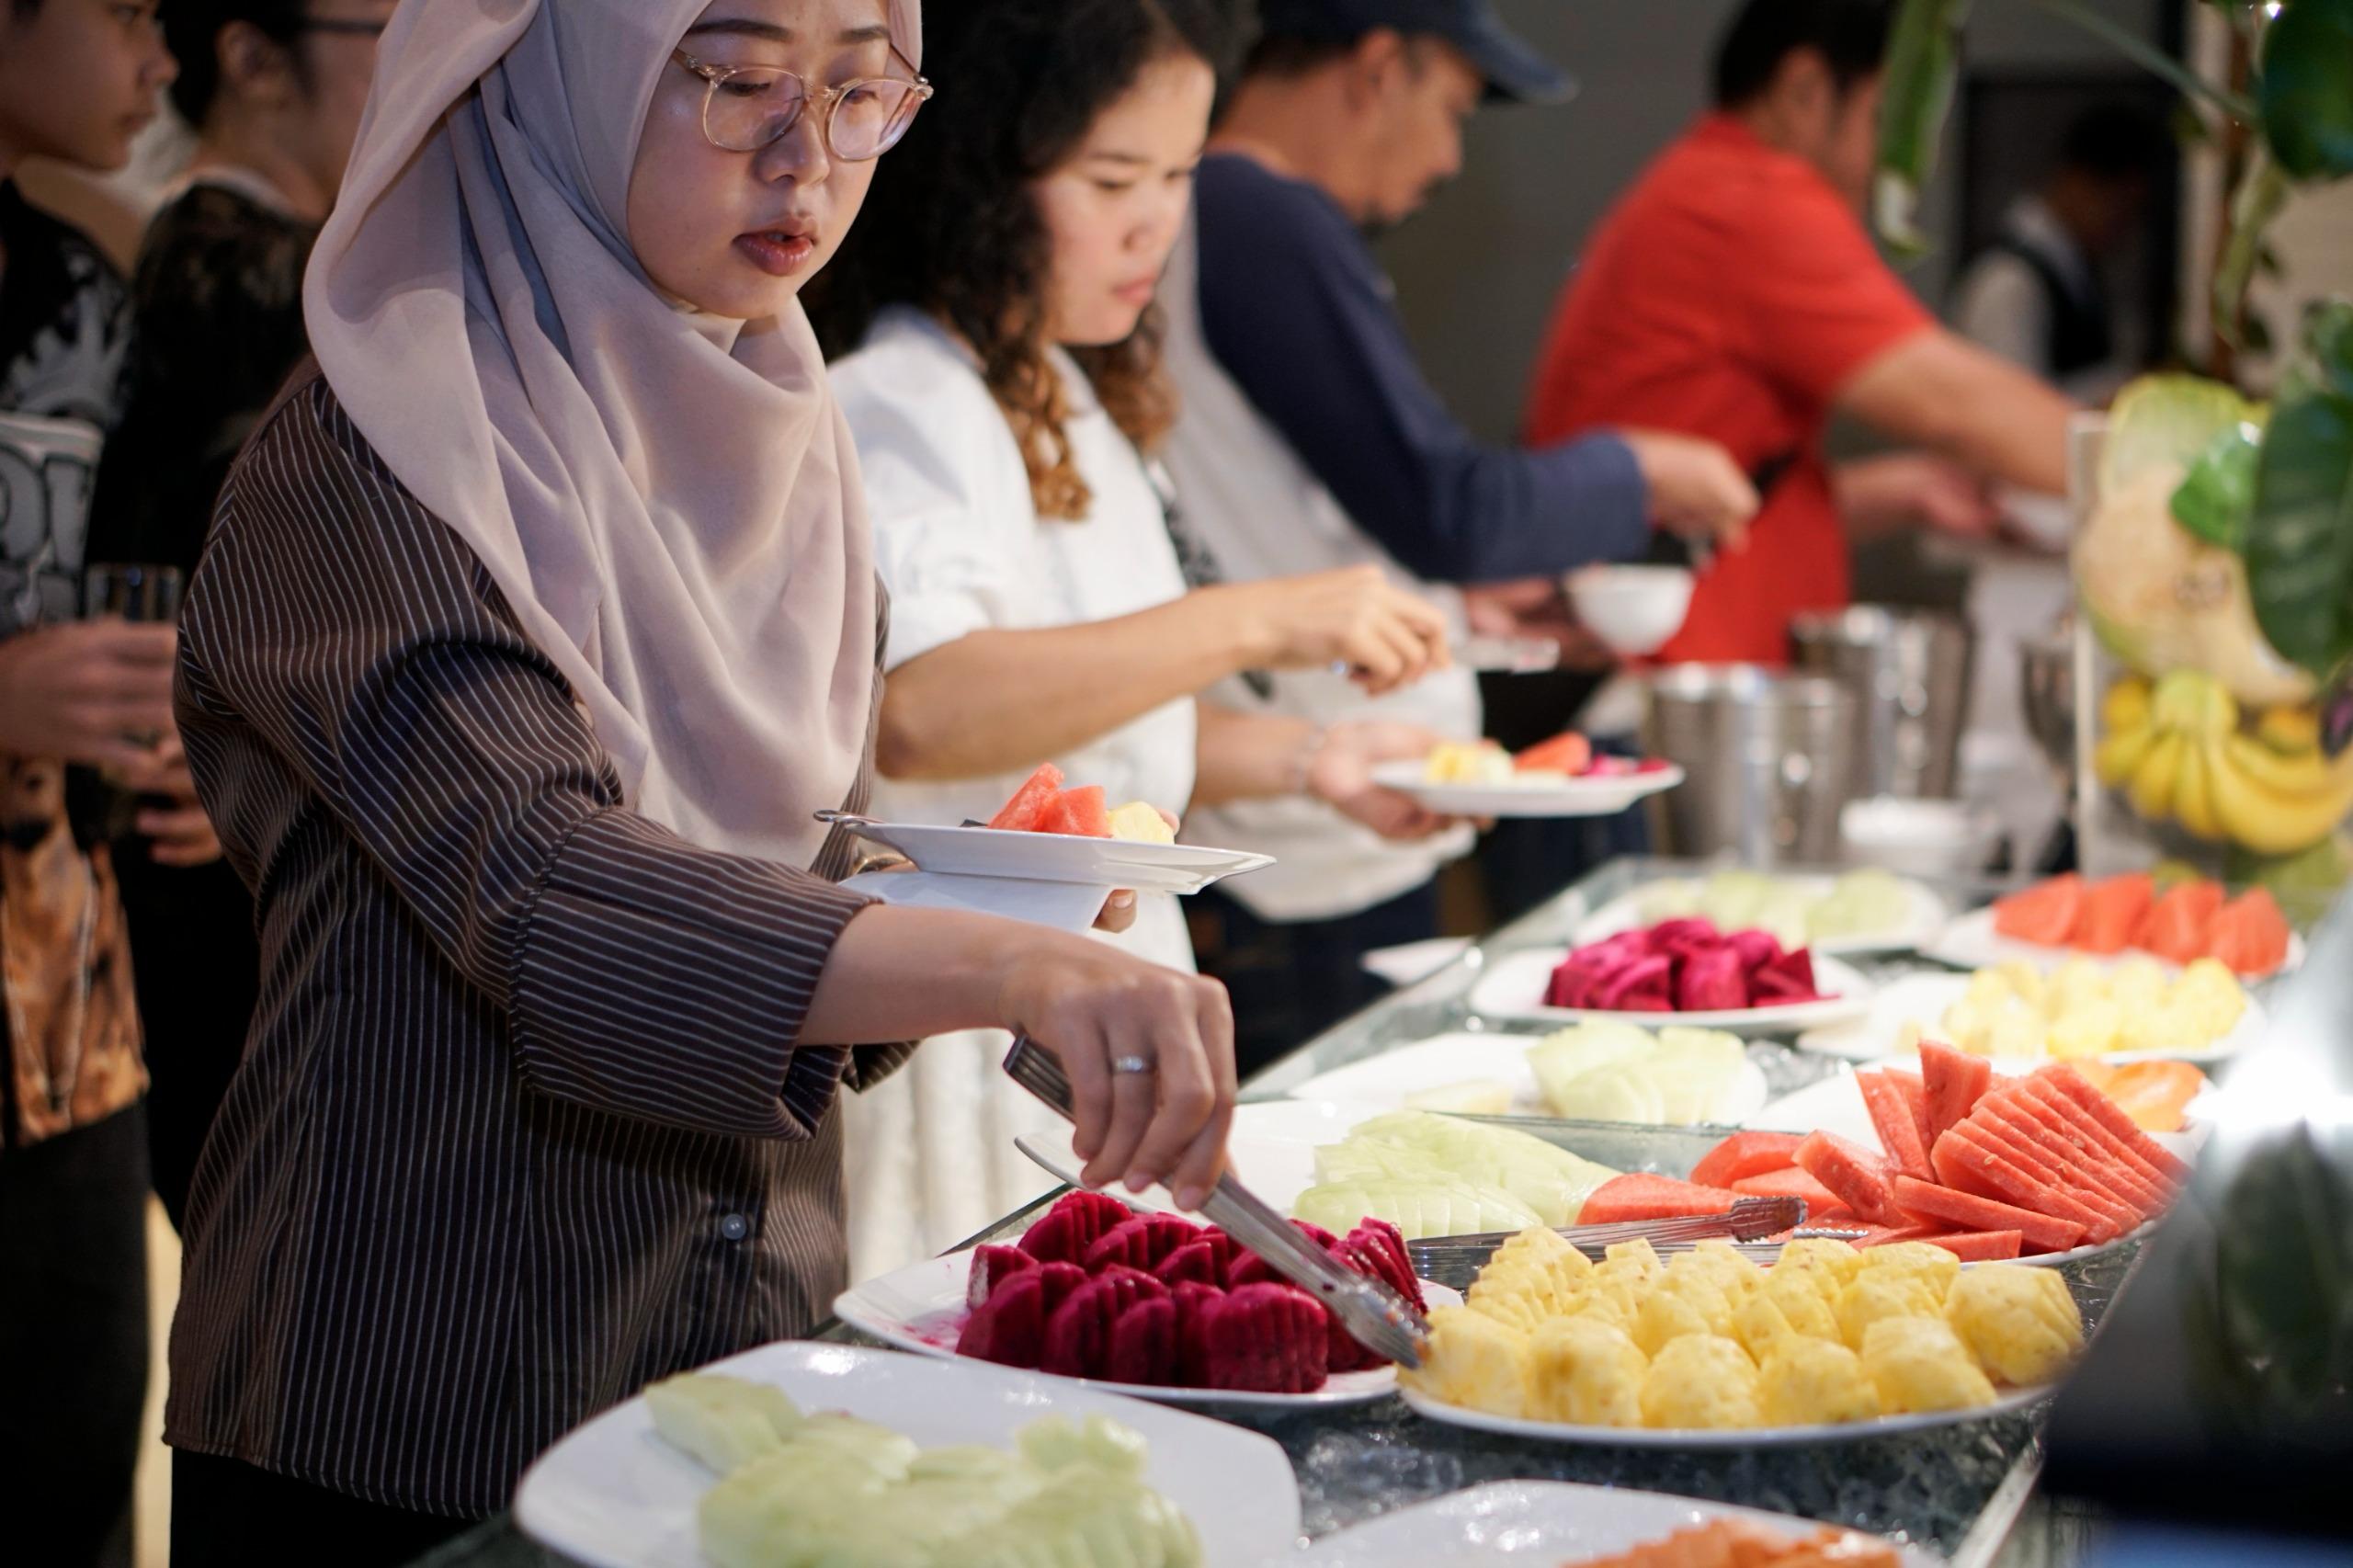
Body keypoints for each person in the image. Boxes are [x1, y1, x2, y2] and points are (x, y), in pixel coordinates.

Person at [162, 3, 1240, 1561]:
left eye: (862, 89)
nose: (808, 159)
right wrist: (999, 959)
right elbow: (546, 893)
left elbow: (766, 887)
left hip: (738, 1354)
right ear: (555, 78)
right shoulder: (377, 446)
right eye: (735, 83)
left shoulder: (785, 436)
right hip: (414, 1402)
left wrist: (945, 899)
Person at [806, 0, 1463, 1278]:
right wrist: (1260, 614)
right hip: (965, 1037)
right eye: (1112, 179)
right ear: (988, 177)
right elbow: (930, 705)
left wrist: (1313, 760)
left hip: (1107, 1006)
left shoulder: (1071, 395)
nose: (1153, 222)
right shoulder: (899, 398)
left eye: (1176, 178)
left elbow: (1102, 728)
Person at [1159, 0, 1759, 1071]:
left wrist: (1457, 611)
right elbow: (1447, 507)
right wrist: (1639, 467)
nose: (1446, 159)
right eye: (1454, 109)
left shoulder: (1239, 215)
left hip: (1323, 807)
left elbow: (1319, 504)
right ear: (1378, 67)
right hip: (1311, 839)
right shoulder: (1258, 207)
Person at [88, 0, 396, 1233]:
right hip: (229, 876)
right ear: (255, 59)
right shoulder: (239, 276)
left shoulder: (258, 266)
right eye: (385, 22)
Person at [1525, 0, 2083, 670]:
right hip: (1674, 683)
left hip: (1675, 666)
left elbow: (1715, 497)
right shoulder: (1749, 200)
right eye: (1891, 121)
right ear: (1804, 90)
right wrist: (2179, 475)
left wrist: (1898, 490)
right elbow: (1955, 408)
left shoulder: (1699, 183)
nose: (1897, 168)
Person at [0, 5, 193, 1566]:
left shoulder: (80, 284)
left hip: (63, 997)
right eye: (126, 8)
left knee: (76, 1468)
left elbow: (122, 608)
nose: (161, 55)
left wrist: (200, 733)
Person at [1953, 100, 2168, 405]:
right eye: (2122, 209)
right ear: (2080, 182)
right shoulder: (2008, 278)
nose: (2124, 231)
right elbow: (2008, 407)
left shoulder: (2077, 273)